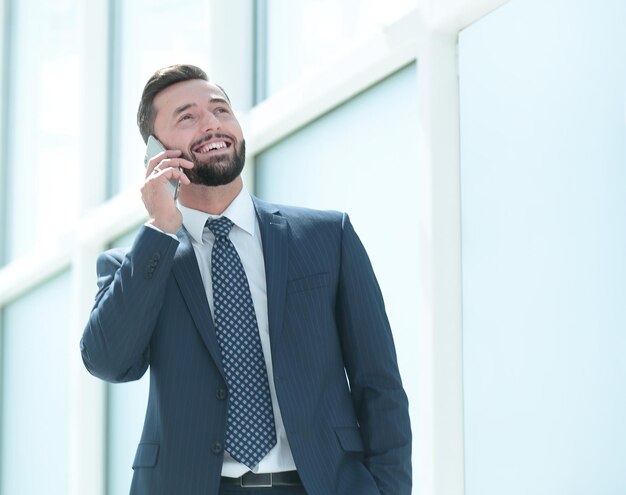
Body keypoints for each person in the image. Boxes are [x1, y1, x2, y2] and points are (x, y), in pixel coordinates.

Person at [80, 64, 411, 495]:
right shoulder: (138, 264)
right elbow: (108, 361)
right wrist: (160, 229)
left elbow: (379, 384)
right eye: (188, 117)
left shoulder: (328, 237)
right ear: (155, 150)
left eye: (221, 110)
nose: (211, 123)